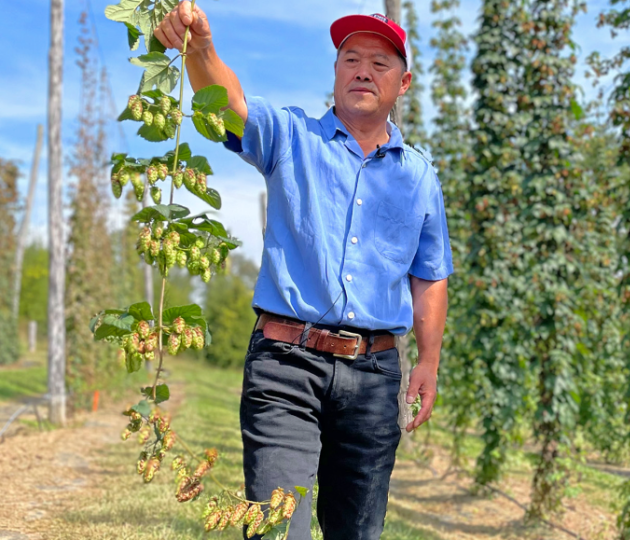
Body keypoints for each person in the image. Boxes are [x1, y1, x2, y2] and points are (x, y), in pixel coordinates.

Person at [154, 4, 453, 539]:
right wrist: (200, 50)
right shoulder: (292, 138)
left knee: (357, 530)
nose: (362, 70)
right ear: (336, 71)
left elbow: (429, 274)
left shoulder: (420, 177)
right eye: (350, 58)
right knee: (274, 529)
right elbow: (231, 106)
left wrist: (428, 360)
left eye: (379, 63)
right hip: (286, 367)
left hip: (375, 376)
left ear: (403, 82)